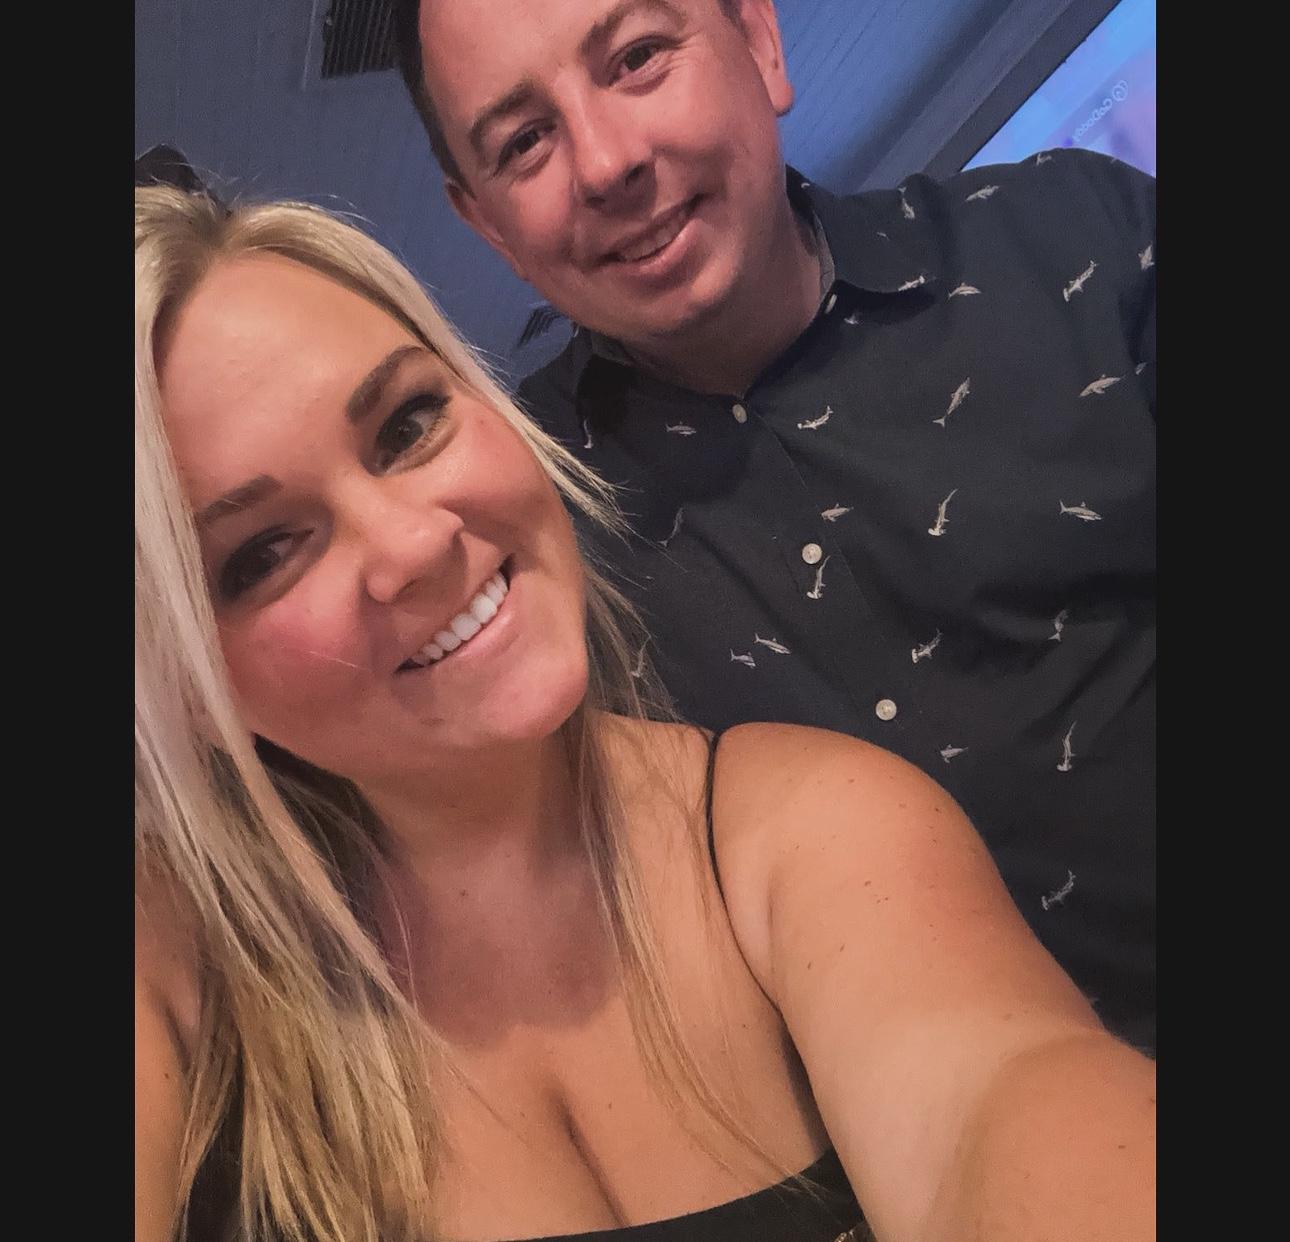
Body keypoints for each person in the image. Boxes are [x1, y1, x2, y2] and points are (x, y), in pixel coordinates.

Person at [135, 182, 1154, 1242]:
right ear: (184, 690)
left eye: (409, 423)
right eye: (261, 554)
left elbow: (996, 1100)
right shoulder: (175, 968)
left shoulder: (816, 827)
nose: (416, 546)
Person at [392, 0, 1157, 1051]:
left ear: (757, 36)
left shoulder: (1075, 236)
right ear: (489, 228)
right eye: (524, 142)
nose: (606, 162)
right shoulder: (513, 532)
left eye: (637, 57)